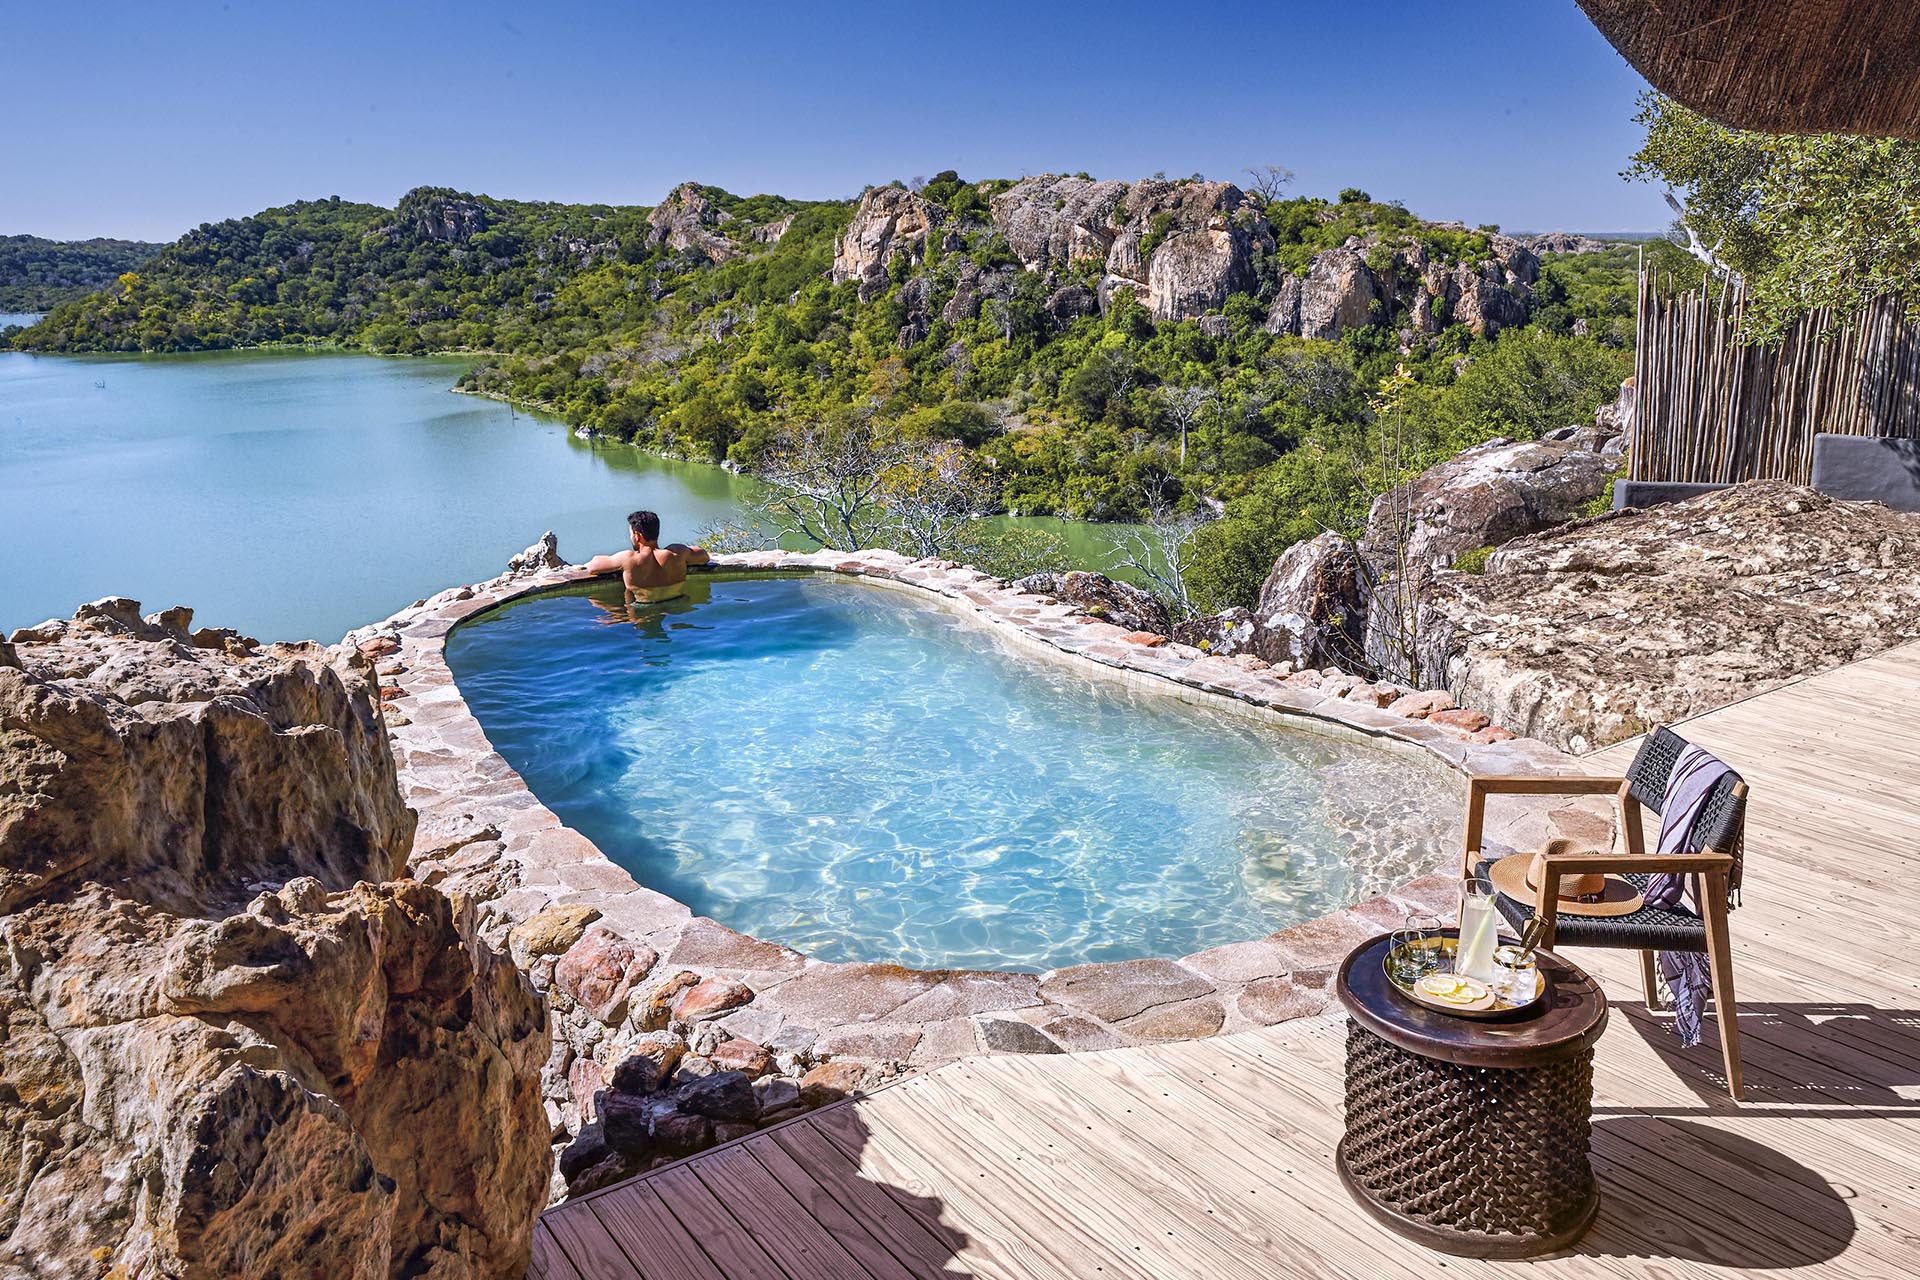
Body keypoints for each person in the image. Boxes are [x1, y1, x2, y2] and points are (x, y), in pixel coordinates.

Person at [584, 510, 710, 602]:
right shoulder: (677, 553)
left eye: (631, 534)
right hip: (678, 604)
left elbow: (593, 567)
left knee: (595, 603)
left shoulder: (629, 559)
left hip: (643, 611)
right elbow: (704, 556)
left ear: (637, 536)